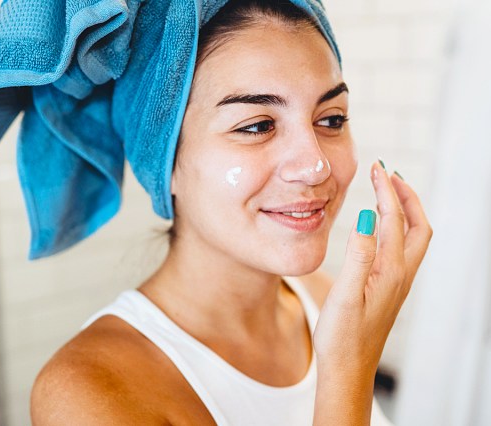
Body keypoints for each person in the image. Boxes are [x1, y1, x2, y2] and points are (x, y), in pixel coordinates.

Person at [30, 1, 432, 424]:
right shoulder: (86, 392)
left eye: (331, 119)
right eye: (257, 126)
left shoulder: (328, 303)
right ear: (163, 163)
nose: (316, 166)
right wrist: (349, 370)